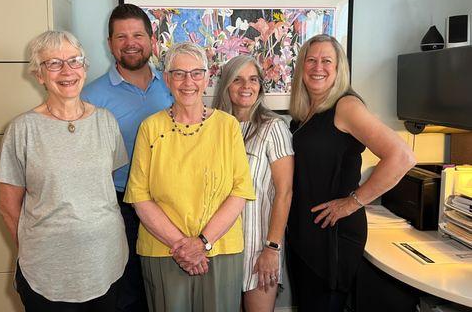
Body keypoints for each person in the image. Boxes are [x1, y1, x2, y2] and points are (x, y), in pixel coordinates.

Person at [0, 30, 129, 311]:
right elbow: (9, 207)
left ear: (84, 67)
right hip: (46, 273)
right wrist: (37, 248)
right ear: (39, 75)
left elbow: (102, 187)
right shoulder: (23, 129)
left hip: (106, 263)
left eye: (74, 61)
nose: (67, 70)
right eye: (53, 63)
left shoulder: (106, 122)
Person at [287, 34, 416, 311]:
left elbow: (402, 156)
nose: (317, 67)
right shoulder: (304, 111)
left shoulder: (346, 106)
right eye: (310, 60)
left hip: (332, 234)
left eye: (326, 61)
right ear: (301, 67)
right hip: (305, 232)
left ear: (338, 68)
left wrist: (353, 202)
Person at [124, 42, 256, 311]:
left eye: (196, 73)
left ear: (207, 78)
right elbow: (139, 196)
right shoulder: (150, 128)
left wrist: (202, 243)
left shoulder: (227, 126)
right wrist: (182, 246)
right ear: (167, 79)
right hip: (163, 250)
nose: (188, 82)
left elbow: (240, 190)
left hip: (220, 249)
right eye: (179, 73)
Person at [82, 4, 172, 311]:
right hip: (120, 205)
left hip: (171, 203)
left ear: (151, 39)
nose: (129, 42)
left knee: (166, 286)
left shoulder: (174, 85)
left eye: (137, 34)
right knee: (128, 291)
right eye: (121, 36)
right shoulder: (91, 97)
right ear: (109, 44)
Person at [214, 55, 294, 312]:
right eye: (237, 79)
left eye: (252, 79)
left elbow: (284, 192)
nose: (245, 86)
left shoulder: (273, 128)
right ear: (226, 84)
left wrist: (272, 248)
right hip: (218, 245)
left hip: (257, 246)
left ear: (261, 85)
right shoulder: (212, 128)